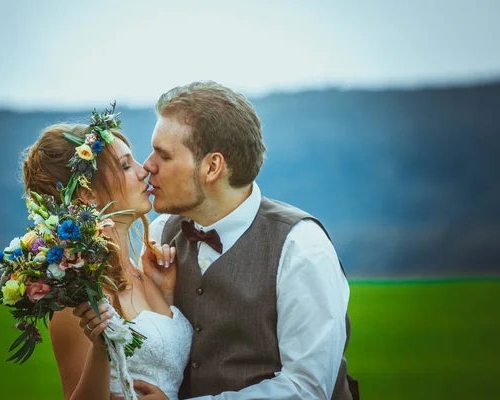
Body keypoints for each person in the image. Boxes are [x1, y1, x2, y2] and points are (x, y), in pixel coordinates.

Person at [139, 81, 359, 399]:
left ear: (212, 167)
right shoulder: (161, 234)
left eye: (163, 155)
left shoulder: (301, 248)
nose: (148, 165)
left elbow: (308, 388)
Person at [21, 119, 193, 400]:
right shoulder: (77, 293)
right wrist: (102, 348)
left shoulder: (144, 271)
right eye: (126, 165)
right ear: (88, 193)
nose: (143, 170)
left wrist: (166, 293)